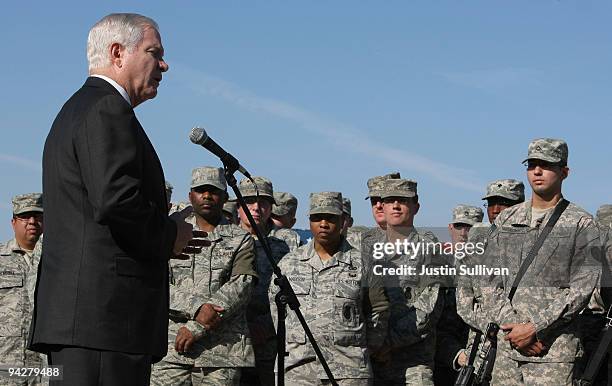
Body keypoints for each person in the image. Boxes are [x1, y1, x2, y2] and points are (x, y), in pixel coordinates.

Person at [29, 13, 194, 386]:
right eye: (154, 52)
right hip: (104, 321)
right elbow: (116, 200)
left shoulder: (79, 109)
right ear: (118, 53)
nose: (164, 65)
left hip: (88, 324)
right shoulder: (106, 108)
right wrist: (170, 235)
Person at [469, 138, 601, 385]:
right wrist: (514, 327)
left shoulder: (582, 223)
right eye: (532, 165)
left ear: (564, 172)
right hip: (507, 351)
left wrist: (534, 328)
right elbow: (487, 280)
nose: (537, 171)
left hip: (552, 352)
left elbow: (582, 289)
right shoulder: (507, 219)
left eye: (546, 165)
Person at [151, 167, 258, 385]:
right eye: (201, 190)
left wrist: (197, 326)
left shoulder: (241, 239)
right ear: (190, 196)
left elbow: (241, 285)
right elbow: (156, 281)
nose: (207, 196)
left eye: (214, 191)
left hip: (221, 353)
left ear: (225, 197)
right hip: (171, 348)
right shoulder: (172, 233)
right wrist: (197, 308)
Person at [270, 192, 389, 385]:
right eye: (317, 218)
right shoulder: (289, 264)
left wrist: (364, 347)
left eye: (331, 218)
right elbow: (276, 309)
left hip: (349, 371)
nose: (323, 224)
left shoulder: (363, 264)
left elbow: (378, 310)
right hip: (297, 370)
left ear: (342, 221)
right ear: (309, 221)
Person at [370, 178, 445, 385]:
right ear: (382, 206)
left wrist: (387, 342)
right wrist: (374, 344)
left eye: (403, 200)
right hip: (373, 362)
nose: (395, 205)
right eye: (390, 200)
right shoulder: (367, 250)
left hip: (413, 364)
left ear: (416, 207)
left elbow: (429, 310)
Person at [235, 177, 297, 385]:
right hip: (229, 342)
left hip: (268, 342)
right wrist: (246, 324)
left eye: (263, 203)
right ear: (237, 207)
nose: (256, 208)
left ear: (271, 208)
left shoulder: (283, 248)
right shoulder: (222, 242)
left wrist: (264, 326)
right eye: (249, 201)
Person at [434, 204, 482, 385]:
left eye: (470, 227)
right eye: (459, 226)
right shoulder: (436, 263)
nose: (464, 233)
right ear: (450, 228)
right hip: (442, 357)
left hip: (480, 356)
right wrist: (455, 354)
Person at [0, 194, 45, 384]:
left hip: (46, 368)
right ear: (13, 222)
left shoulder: (60, 262)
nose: (32, 222)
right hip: (7, 364)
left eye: (38, 216)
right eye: (25, 217)